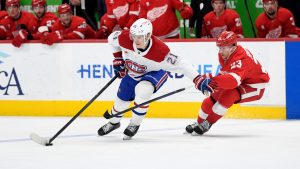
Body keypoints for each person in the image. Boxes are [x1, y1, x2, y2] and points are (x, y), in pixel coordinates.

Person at [97, 18, 203, 140]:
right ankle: (113, 122)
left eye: (139, 37)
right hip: (133, 73)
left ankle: (134, 123)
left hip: (156, 72)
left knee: (143, 90)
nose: (135, 40)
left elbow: (183, 64)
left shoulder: (160, 51)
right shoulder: (124, 37)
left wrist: (198, 79)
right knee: (120, 104)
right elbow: (111, 39)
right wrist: (118, 59)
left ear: (148, 35)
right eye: (134, 36)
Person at [185, 31, 270, 135]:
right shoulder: (225, 54)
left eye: (223, 48)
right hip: (242, 80)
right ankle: (198, 123)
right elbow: (226, 73)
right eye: (219, 47)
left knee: (228, 96)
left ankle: (208, 123)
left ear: (233, 46)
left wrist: (211, 79)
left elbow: (233, 82)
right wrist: (208, 79)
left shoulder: (241, 59)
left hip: (254, 86)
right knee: (211, 98)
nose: (220, 51)